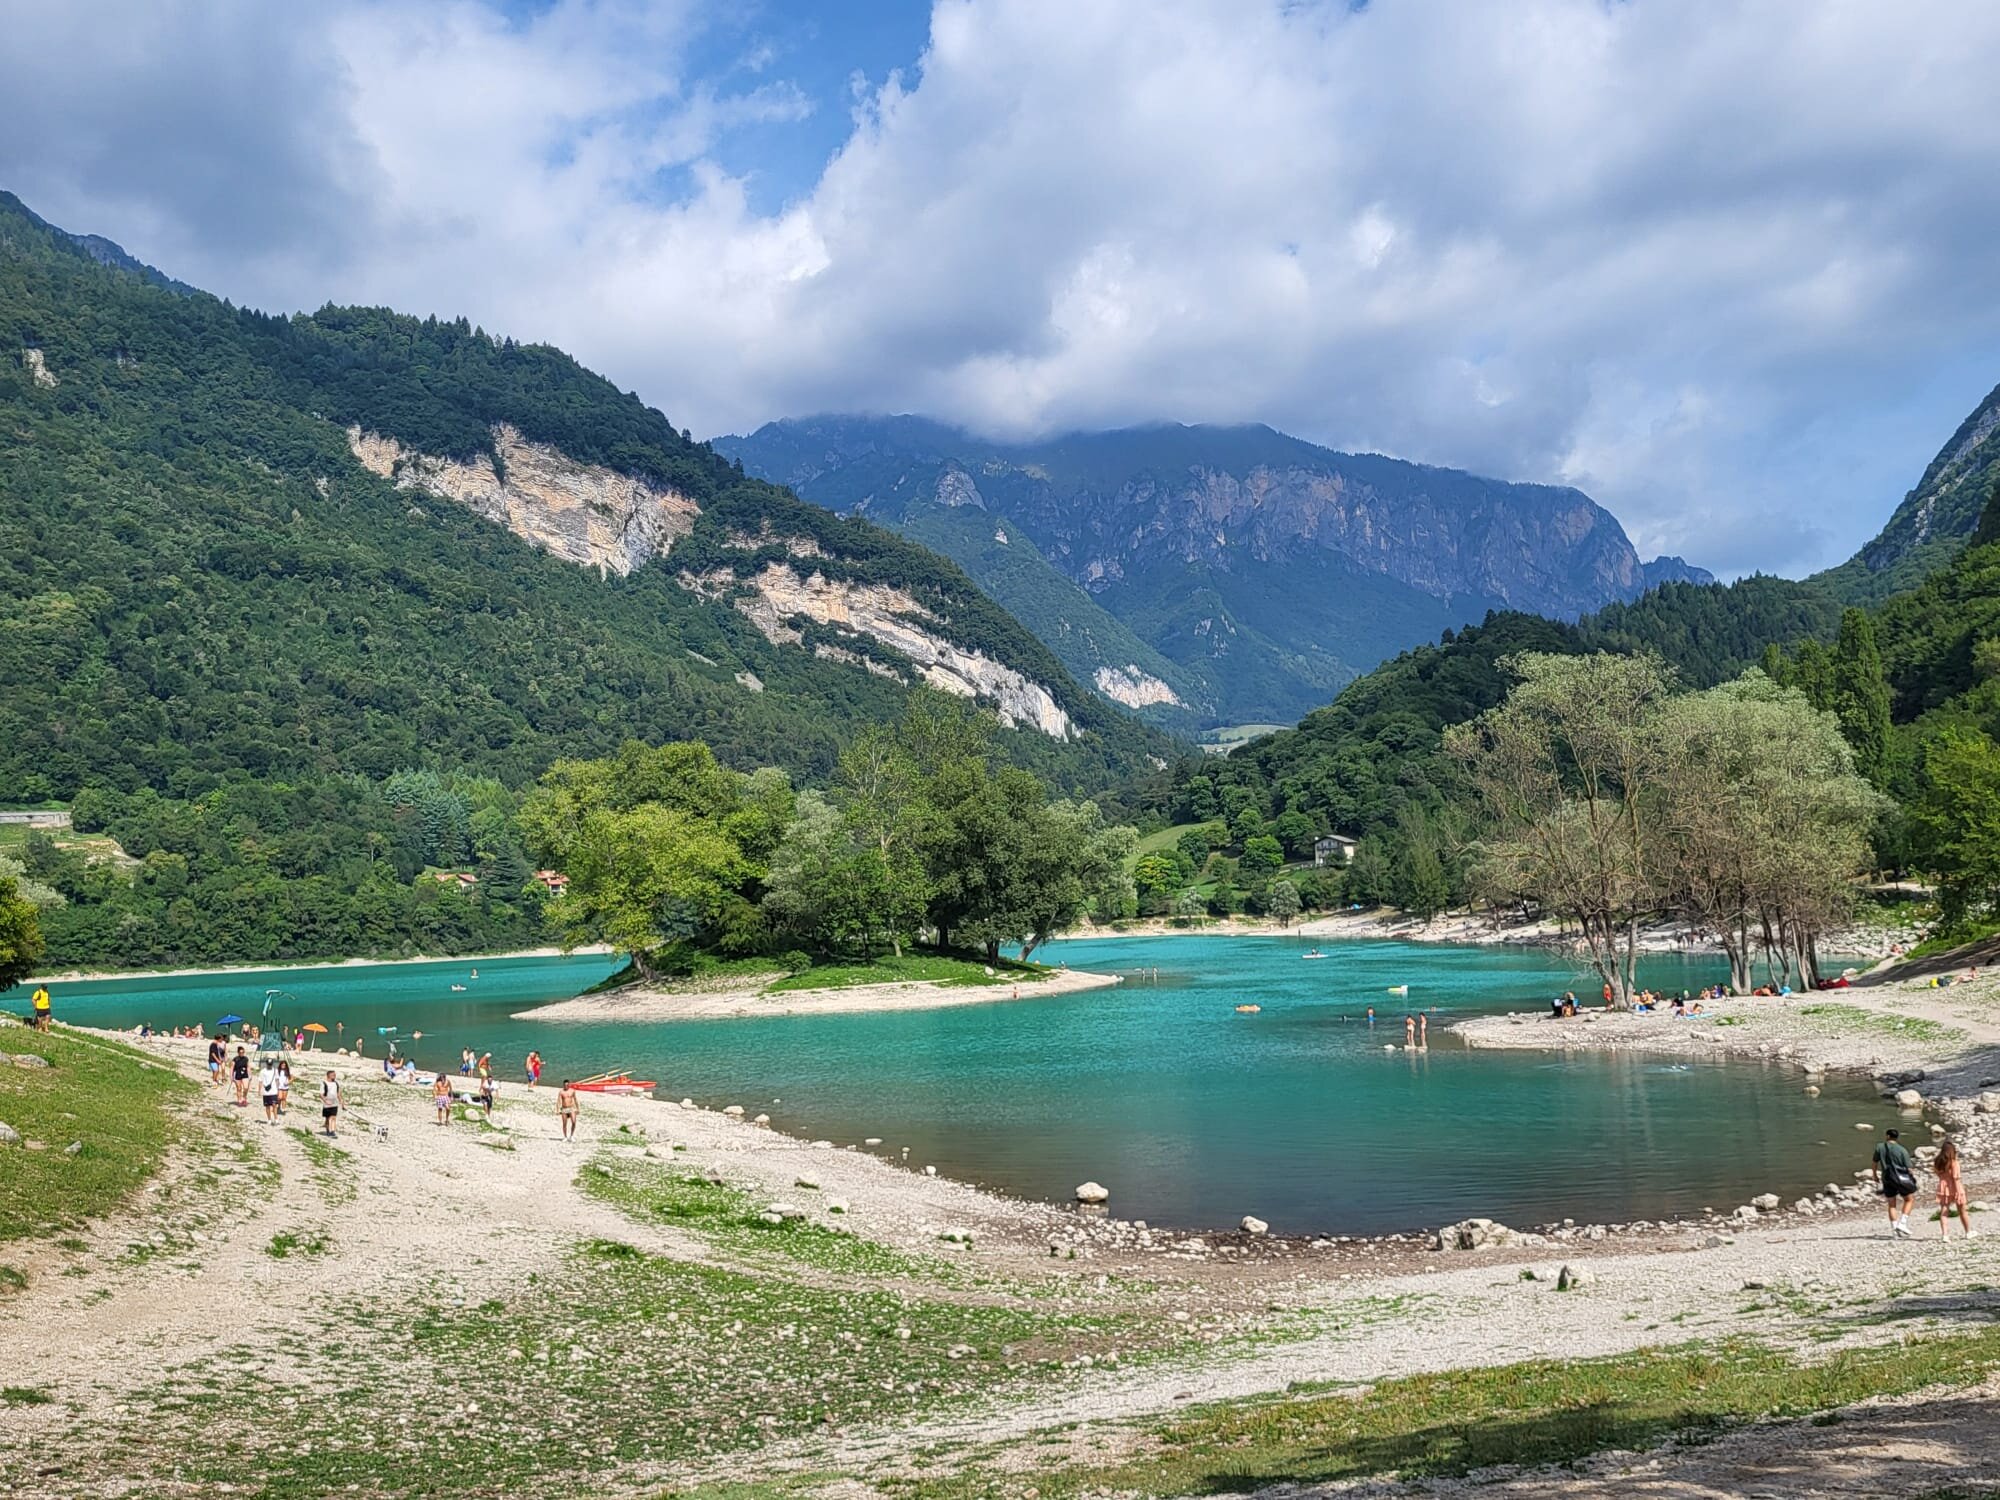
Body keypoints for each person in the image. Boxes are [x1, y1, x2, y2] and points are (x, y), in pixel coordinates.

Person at [1873, 1127, 1919, 1238]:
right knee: (1909, 1199)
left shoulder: (1880, 1147)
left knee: (1892, 1204)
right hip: (1901, 1178)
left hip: (1887, 1178)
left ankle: (1894, 1230)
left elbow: (1874, 1162)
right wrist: (1912, 1179)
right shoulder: (1902, 1150)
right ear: (1897, 1138)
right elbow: (1909, 1168)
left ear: (1887, 1136)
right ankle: (1902, 1223)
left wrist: (1874, 1175)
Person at [1935, 1139, 1973, 1238]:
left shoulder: (1938, 1162)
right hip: (1955, 1187)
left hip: (1943, 1187)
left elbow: (1938, 1174)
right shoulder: (1954, 1163)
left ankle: (1945, 1235)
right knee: (1962, 1211)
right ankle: (1968, 1232)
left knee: (1944, 1211)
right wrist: (1958, 1192)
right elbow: (1956, 1178)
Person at [259, 1056, 282, 1124]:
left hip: (274, 1091)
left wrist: (278, 1090)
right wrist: (259, 1090)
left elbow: (277, 1080)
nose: (269, 1065)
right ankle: (269, 1119)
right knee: (267, 1106)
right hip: (266, 1091)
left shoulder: (275, 1070)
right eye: (269, 1064)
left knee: (274, 1105)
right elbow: (260, 1081)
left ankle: (276, 1118)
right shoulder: (262, 1071)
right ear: (266, 1064)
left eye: (270, 1064)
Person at [320, 1070, 341, 1137]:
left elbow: (338, 1094)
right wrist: (325, 1101)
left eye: (335, 1075)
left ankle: (332, 1131)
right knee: (328, 1118)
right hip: (327, 1104)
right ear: (328, 1075)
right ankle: (328, 1130)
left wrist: (341, 1102)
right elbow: (321, 1094)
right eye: (333, 1075)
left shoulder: (336, 1083)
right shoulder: (324, 1083)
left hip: (334, 1103)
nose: (334, 1076)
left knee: (333, 1117)